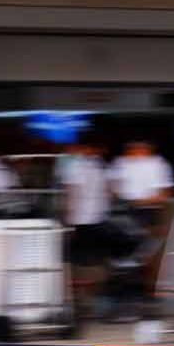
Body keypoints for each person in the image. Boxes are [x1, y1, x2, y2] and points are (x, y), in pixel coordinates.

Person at [107, 139, 174, 307]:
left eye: (141, 147)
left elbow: (165, 192)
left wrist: (145, 203)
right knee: (124, 254)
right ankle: (122, 292)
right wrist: (123, 202)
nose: (137, 150)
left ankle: (145, 292)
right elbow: (111, 188)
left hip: (149, 211)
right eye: (134, 147)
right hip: (125, 211)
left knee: (147, 253)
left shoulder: (159, 164)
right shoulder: (120, 163)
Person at [56, 138, 111, 332]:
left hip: (79, 221)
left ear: (82, 148)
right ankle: (88, 303)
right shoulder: (100, 167)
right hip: (98, 220)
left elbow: (72, 194)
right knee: (93, 264)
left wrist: (67, 218)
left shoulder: (76, 167)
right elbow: (107, 193)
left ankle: (76, 305)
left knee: (73, 265)